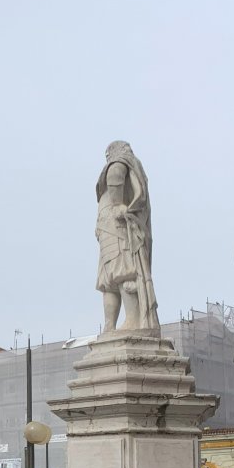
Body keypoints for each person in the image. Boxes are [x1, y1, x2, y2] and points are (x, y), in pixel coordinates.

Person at [95, 141, 159, 332]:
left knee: (115, 277)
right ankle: (121, 323)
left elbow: (115, 172)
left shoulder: (120, 162)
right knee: (118, 275)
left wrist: (115, 205)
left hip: (111, 227)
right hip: (114, 228)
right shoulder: (125, 163)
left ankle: (120, 323)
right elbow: (115, 174)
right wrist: (116, 205)